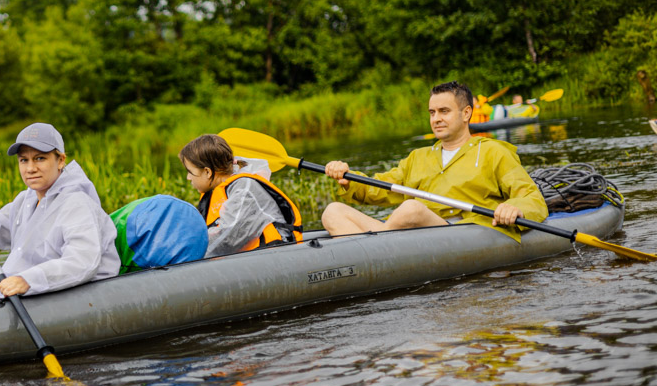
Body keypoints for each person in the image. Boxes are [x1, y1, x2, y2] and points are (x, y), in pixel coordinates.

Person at [320, 81, 547, 239]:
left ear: (466, 113)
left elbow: (532, 197)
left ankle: (374, 253)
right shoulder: (418, 158)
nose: (436, 119)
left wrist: (514, 207)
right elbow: (378, 188)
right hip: (413, 234)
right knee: (333, 211)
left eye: (444, 111)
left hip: (466, 233)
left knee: (411, 209)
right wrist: (348, 179)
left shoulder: (493, 152)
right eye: (432, 113)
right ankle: (371, 260)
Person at [0, 122, 120, 305]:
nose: (30, 169)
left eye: (40, 158)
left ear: (60, 160)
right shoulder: (26, 200)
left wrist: (27, 280)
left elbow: (82, 261)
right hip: (27, 293)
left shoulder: (77, 203)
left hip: (71, 297)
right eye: (23, 160)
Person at [179, 134, 302, 258]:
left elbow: (229, 236)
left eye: (190, 172)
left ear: (207, 172)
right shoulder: (214, 192)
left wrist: (187, 256)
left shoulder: (245, 189)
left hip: (277, 255)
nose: (188, 178)